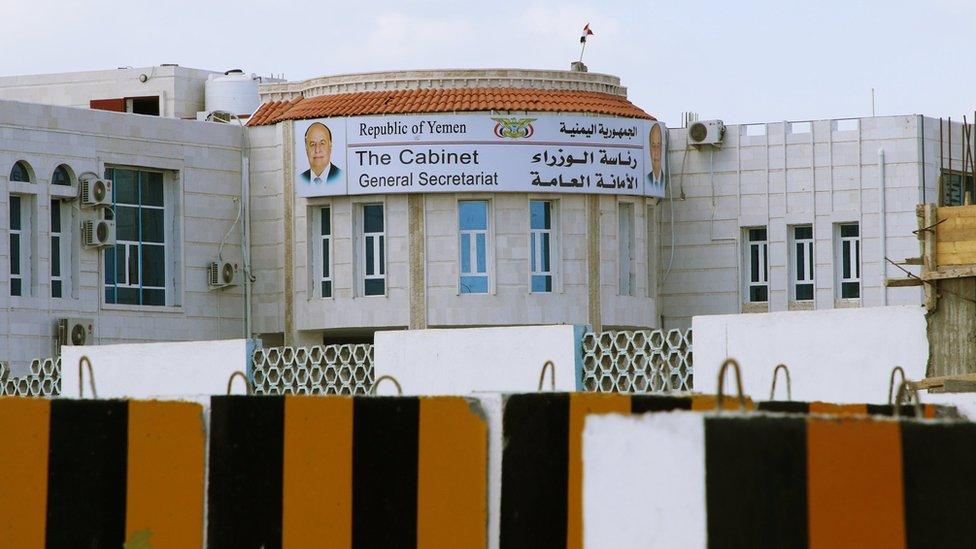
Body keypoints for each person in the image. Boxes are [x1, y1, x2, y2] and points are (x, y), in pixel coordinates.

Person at [646, 122, 665, 190]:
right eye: (653, 146)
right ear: (649, 149)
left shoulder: (664, 180)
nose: (656, 150)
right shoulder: (647, 179)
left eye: (658, 145)